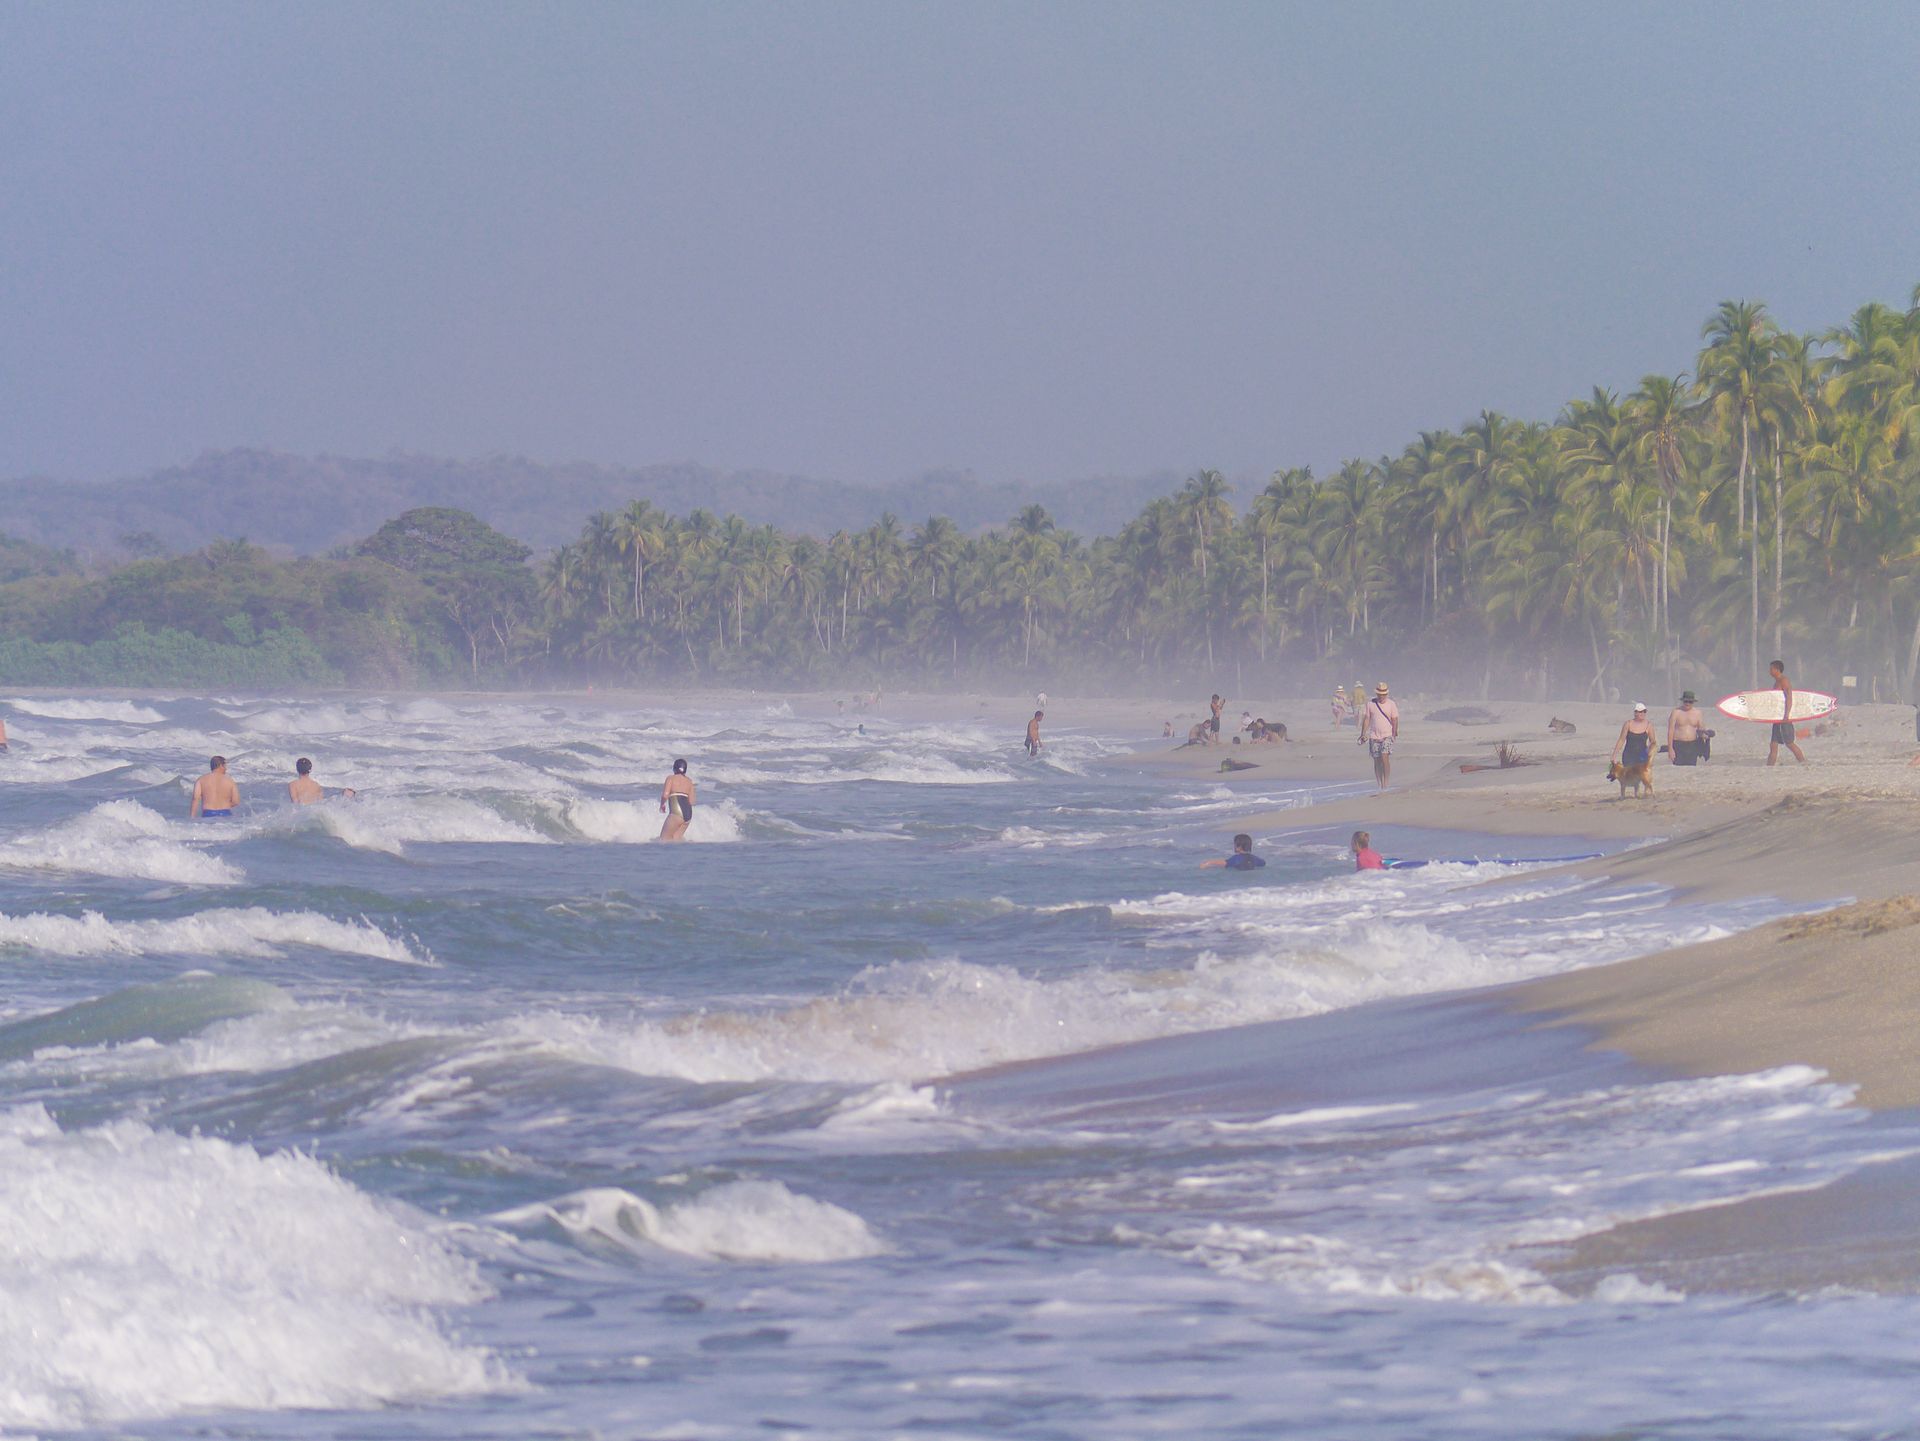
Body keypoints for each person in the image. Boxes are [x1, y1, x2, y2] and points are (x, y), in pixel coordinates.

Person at [1358, 682, 1400, 790]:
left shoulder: (1391, 704)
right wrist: (1363, 734)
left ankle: (1386, 782)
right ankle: (1379, 783)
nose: (1382, 696)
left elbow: (1395, 719)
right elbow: (1367, 719)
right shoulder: (1370, 704)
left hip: (1387, 735)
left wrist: (1394, 733)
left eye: (1384, 694)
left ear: (1386, 694)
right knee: (1376, 760)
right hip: (1374, 736)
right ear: (1377, 694)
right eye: (1380, 694)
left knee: (1384, 757)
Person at [1766, 660, 1807, 766]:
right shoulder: (1776, 682)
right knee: (1773, 744)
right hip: (1777, 718)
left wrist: (1787, 715)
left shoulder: (1784, 681)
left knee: (1789, 743)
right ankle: (1769, 767)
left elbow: (1789, 697)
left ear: (1777, 669)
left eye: (1771, 669)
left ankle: (1804, 763)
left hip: (1784, 718)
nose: (1769, 671)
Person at [288, 756, 355, 804]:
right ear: (310, 770)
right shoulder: (316, 785)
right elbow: (320, 803)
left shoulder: (293, 784)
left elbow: (295, 803)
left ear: (297, 769)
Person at [659, 758, 696, 841]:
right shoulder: (689, 781)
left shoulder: (670, 778)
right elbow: (692, 801)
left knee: (664, 840)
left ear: (674, 768)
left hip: (677, 812)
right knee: (676, 841)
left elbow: (665, 795)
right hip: (688, 814)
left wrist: (662, 805)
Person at [1667, 692, 1707, 765]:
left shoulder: (1698, 713)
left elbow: (1701, 729)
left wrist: (1705, 736)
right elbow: (1670, 731)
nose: (1688, 703)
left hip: (1692, 745)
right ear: (1683, 701)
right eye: (1686, 701)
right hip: (1678, 744)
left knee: (1691, 767)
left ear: (1693, 702)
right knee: (1678, 769)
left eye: (1690, 702)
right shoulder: (1676, 712)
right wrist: (1670, 748)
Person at [1612, 702, 1655, 770]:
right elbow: (1621, 740)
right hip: (1629, 754)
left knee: (1640, 776)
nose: (1643, 714)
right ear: (1635, 713)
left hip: (1642, 754)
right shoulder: (1628, 724)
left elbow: (1652, 742)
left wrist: (1650, 756)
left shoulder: (1649, 725)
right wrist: (1614, 756)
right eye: (1641, 712)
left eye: (1644, 711)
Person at [1201, 833, 1266, 870]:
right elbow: (1263, 863)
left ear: (1239, 847)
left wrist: (1208, 863)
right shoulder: (1255, 858)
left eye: (1234, 844)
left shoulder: (1236, 858)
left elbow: (1224, 863)